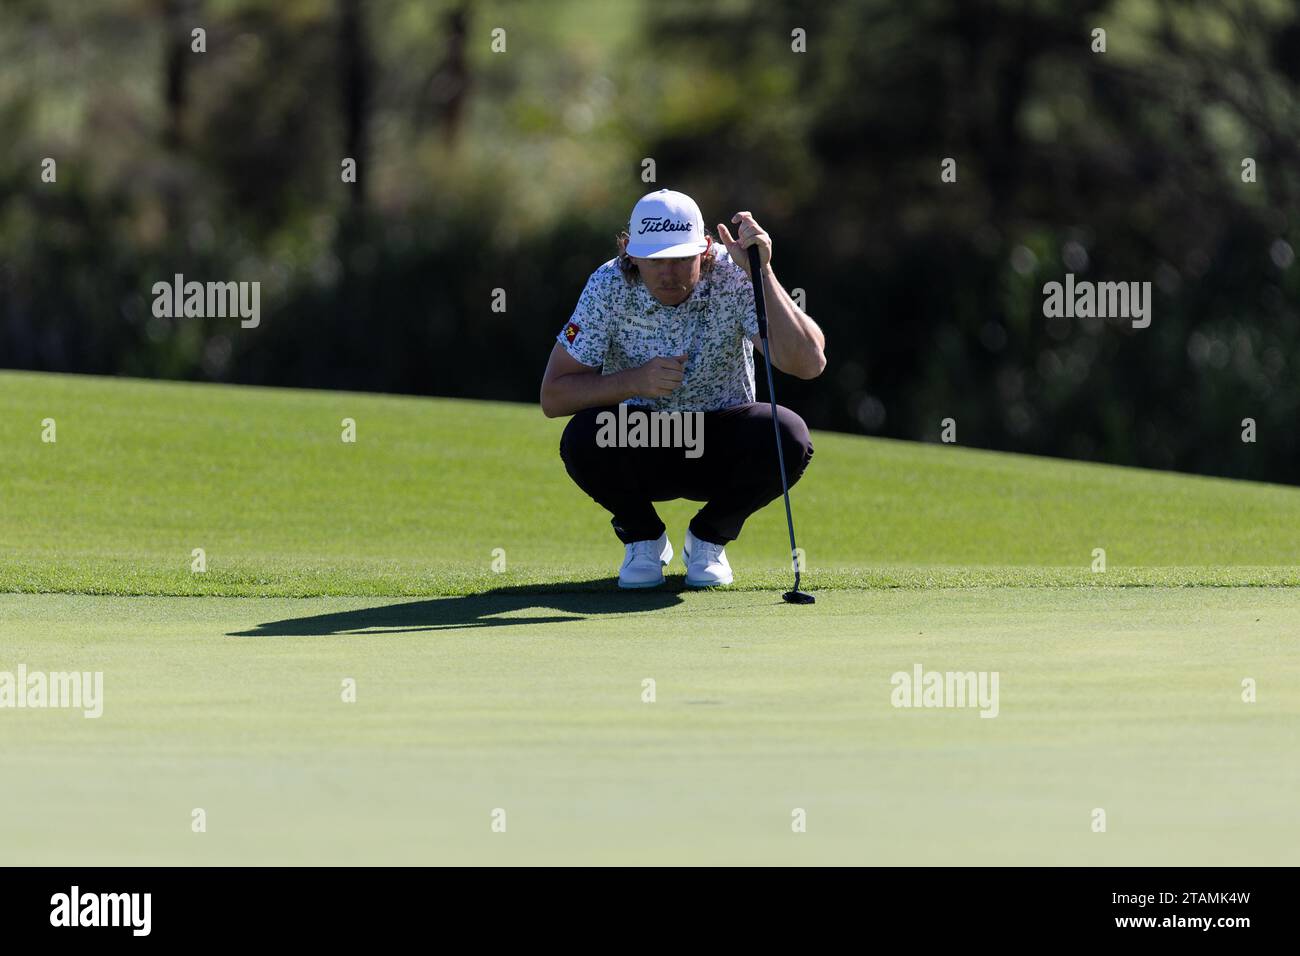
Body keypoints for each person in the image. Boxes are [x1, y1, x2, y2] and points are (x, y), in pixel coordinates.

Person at [539, 188, 827, 588]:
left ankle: (708, 540)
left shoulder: (735, 274)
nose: (668, 273)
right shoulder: (607, 285)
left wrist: (761, 273)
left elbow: (809, 363)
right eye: (656, 260)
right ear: (631, 255)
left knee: (787, 435)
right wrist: (634, 381)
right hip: (642, 440)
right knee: (583, 438)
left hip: (719, 438)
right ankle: (644, 540)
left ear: (706, 250)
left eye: (681, 258)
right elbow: (553, 396)